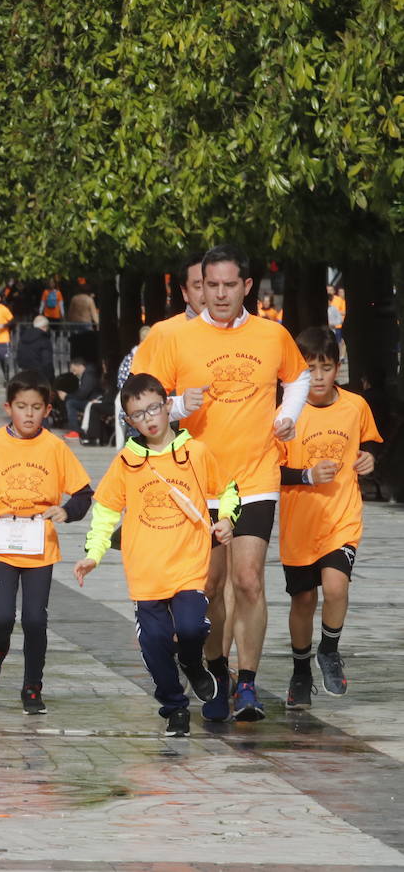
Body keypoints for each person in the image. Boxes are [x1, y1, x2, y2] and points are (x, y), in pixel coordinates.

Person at [146, 245, 309, 722]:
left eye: (228, 285)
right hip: (199, 481)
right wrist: (178, 406)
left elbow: (297, 379)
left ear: (247, 287)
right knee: (211, 587)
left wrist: (287, 415)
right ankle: (215, 672)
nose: (218, 294)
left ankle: (249, 685)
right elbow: (139, 402)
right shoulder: (175, 337)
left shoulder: (272, 334)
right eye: (210, 285)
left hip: (256, 475)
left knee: (249, 580)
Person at [75, 373, 238, 736]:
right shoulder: (127, 461)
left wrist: (227, 519)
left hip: (188, 567)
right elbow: (104, 512)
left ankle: (194, 664)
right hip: (146, 573)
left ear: (168, 406)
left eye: (153, 408)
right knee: (153, 642)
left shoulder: (196, 452)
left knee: (192, 627)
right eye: (137, 414)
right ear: (129, 420)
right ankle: (174, 706)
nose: (148, 418)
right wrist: (93, 554)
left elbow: (228, 488)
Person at [0, 370, 92, 715]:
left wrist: (67, 511)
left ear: (47, 409)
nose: (29, 414)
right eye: (22, 406)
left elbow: (83, 493)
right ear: (8, 407)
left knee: (35, 620)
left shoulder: (55, 447)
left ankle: (33, 687)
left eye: (36, 407)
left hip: (39, 545)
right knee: (2, 616)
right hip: (2, 541)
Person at [278, 327, 381, 708]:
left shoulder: (355, 406)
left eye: (325, 368)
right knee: (303, 601)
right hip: (300, 526)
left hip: (342, 519)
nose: (318, 377)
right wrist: (305, 475)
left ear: (338, 367)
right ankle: (301, 671)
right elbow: (270, 471)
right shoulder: (287, 416)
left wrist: (371, 458)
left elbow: (368, 444)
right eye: (310, 369)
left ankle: (330, 650)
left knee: (336, 588)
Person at [58, 357, 100, 438]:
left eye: (74, 370)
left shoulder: (89, 375)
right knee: (71, 401)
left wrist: (66, 396)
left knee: (71, 403)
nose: (74, 373)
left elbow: (82, 394)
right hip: (91, 400)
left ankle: (75, 431)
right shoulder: (88, 374)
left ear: (80, 366)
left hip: (93, 401)